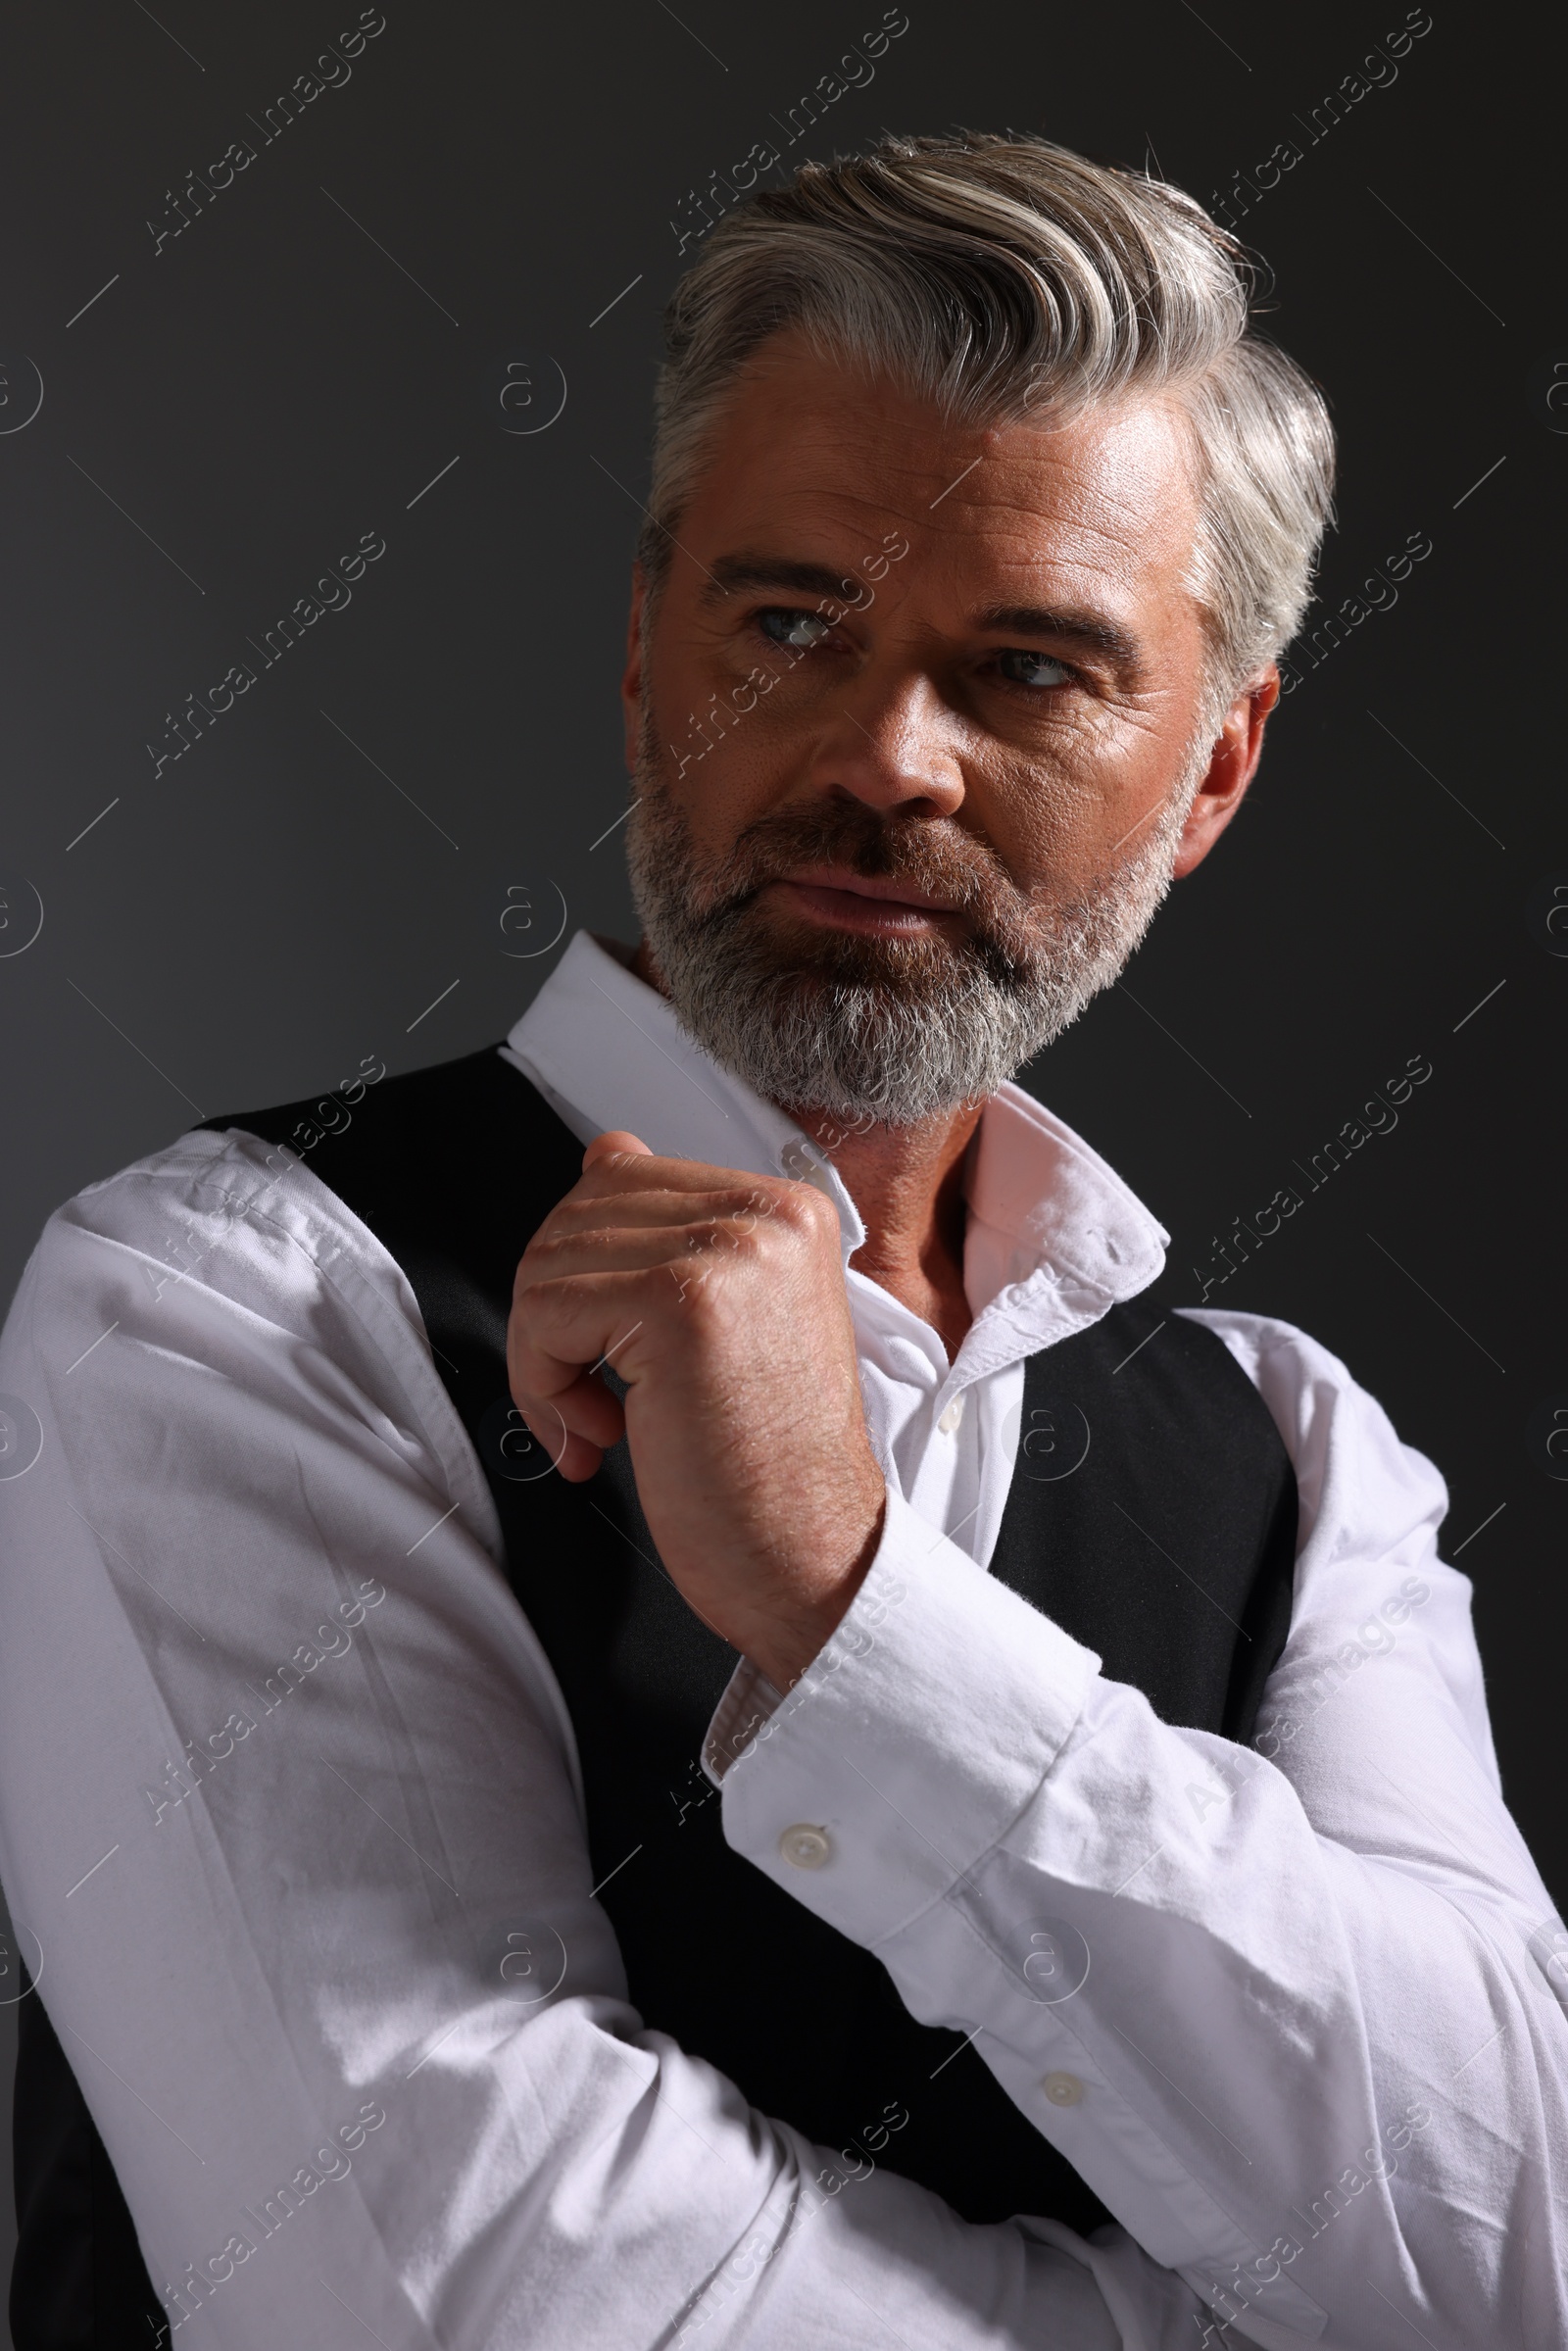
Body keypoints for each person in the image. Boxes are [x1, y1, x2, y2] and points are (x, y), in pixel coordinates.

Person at [0, 131, 1562, 2351]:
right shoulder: (233, 1312)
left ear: (1210, 771)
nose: (883, 757)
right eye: (791, 623)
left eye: (1027, 670)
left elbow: (1516, 2254)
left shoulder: (1298, 1459)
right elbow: (447, 2304)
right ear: (646, 647)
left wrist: (848, 1604)